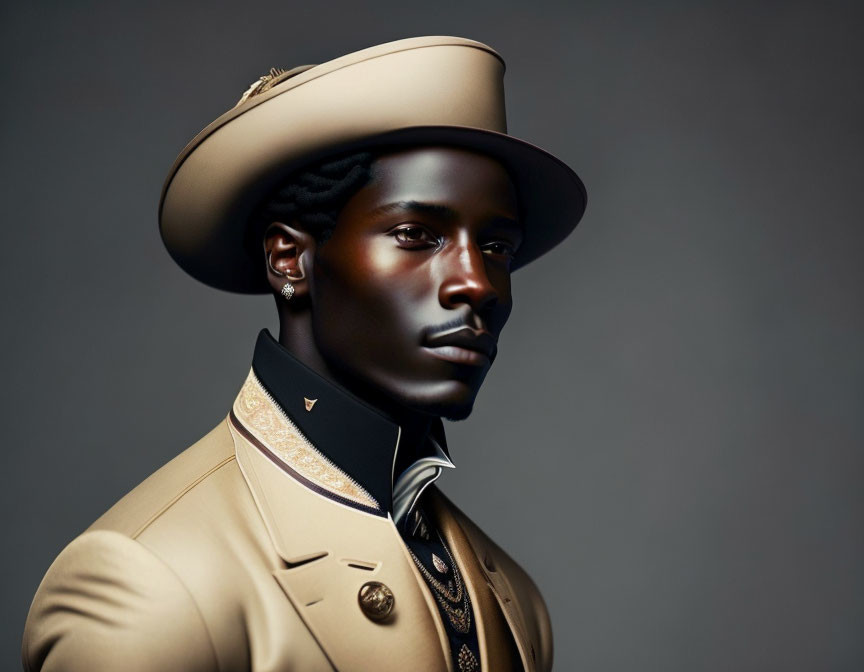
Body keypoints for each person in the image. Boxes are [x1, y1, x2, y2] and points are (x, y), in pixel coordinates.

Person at [21, 36, 586, 672]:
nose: (476, 284)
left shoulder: (512, 602)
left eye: (497, 246)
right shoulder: (151, 584)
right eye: (417, 234)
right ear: (290, 260)